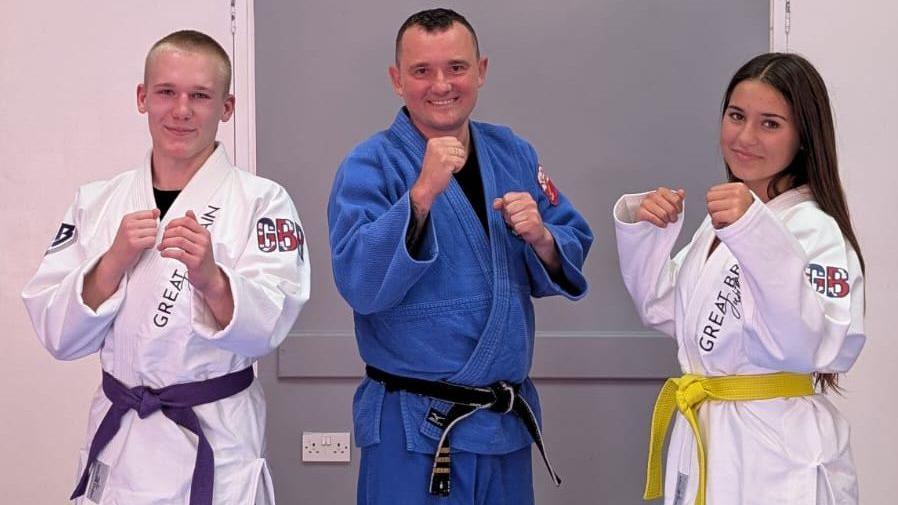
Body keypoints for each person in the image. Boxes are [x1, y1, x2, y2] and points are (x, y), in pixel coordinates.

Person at [21, 30, 309, 505]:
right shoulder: (98, 202)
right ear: (143, 98)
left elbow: (271, 326)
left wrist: (211, 279)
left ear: (227, 106)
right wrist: (111, 263)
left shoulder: (263, 202)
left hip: (215, 434)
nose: (181, 111)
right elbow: (56, 332)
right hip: (123, 438)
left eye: (200, 96)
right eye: (166, 93)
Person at [327, 8, 592, 505]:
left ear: (481, 71)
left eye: (457, 67)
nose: (441, 84)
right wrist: (420, 197)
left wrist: (540, 238)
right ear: (396, 79)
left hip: (502, 422)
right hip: (412, 424)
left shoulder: (512, 151)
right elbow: (359, 281)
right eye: (421, 71)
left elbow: (571, 236)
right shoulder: (370, 164)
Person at [614, 52, 865, 505]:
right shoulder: (720, 223)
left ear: (803, 138)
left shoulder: (815, 230)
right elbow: (665, 308)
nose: (745, 137)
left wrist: (755, 235)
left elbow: (803, 343)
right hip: (710, 432)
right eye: (736, 116)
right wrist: (647, 233)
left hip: (775, 447)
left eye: (770, 123)